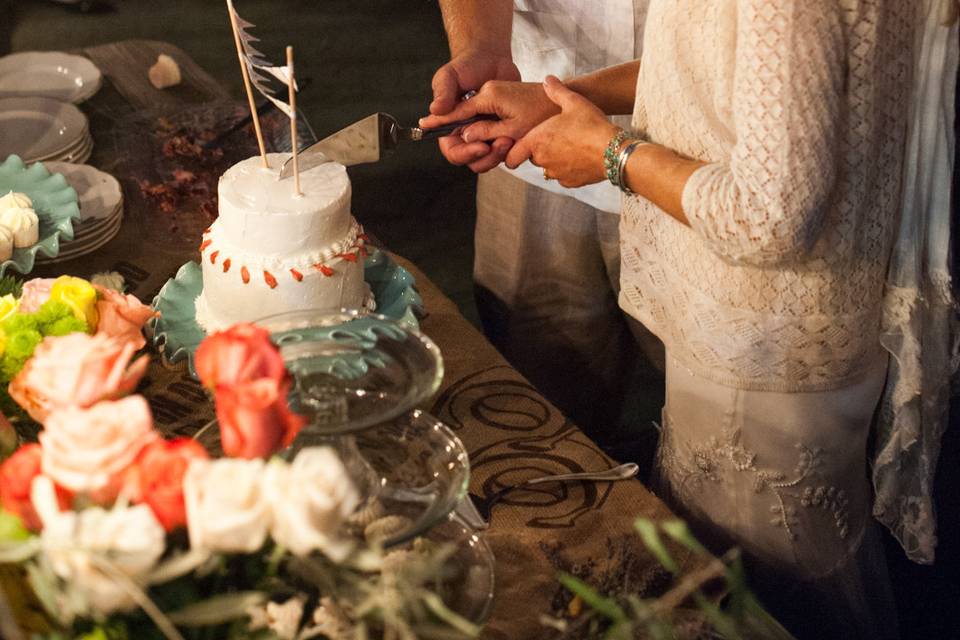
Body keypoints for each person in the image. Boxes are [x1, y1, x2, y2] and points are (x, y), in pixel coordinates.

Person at [421, 1, 931, 637]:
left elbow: (767, 219)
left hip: (759, 313)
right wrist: (563, 99)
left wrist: (611, 154)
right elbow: (702, 62)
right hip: (732, 277)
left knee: (770, 586)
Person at [430, 1, 661, 445]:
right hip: (528, 143)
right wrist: (480, 47)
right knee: (538, 415)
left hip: (700, 159)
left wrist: (565, 100)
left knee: (728, 418)